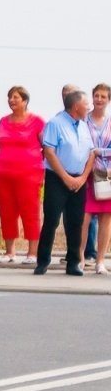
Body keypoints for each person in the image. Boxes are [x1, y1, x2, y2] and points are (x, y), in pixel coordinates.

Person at [36, 87, 95, 276]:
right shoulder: (55, 123)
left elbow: (91, 153)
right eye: (87, 104)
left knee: (76, 222)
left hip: (79, 179)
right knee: (51, 221)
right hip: (57, 178)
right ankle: (43, 261)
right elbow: (49, 152)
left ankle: (73, 262)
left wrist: (83, 177)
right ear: (76, 106)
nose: (89, 107)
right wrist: (66, 177)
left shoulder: (84, 125)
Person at [0, 85, 46, 263]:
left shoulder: (37, 121)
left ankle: (32, 253)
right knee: (6, 212)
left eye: (16, 97)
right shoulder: (2, 121)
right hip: (4, 173)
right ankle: (9, 252)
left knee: (30, 212)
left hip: (29, 174)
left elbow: (46, 147)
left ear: (25, 101)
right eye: (10, 97)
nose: (12, 100)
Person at [84, 83, 111, 274]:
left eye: (103, 96)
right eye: (96, 96)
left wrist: (99, 151)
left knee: (105, 219)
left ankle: (100, 261)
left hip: (107, 176)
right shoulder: (83, 121)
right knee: (83, 219)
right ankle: (79, 258)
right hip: (87, 175)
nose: (99, 99)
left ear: (108, 100)